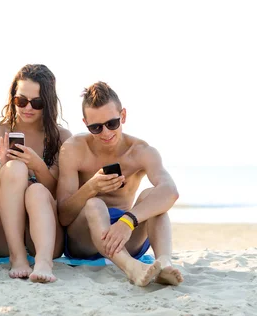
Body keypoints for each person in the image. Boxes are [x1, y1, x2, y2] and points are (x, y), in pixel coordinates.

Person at [57, 81, 184, 286]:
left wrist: (127, 221)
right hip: (84, 239)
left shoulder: (141, 151)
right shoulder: (74, 149)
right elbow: (63, 216)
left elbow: (171, 192)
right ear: (85, 123)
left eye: (112, 123)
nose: (106, 133)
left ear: (123, 116)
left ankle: (164, 262)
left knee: (153, 197)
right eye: (96, 127)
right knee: (94, 203)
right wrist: (91, 187)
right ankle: (131, 268)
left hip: (125, 234)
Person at [0, 64, 71, 283]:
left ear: (48, 104)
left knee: (38, 190)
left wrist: (38, 165)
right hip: (2, 235)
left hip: (45, 236)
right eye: (21, 100)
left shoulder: (62, 137)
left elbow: (62, 197)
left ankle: (43, 261)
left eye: (37, 103)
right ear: (12, 98)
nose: (27, 108)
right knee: (15, 167)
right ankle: (17, 256)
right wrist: (4, 165)